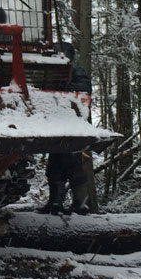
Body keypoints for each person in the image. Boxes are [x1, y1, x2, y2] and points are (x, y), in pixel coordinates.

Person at [39, 42, 93, 215]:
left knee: (72, 167)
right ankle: (57, 203)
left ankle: (79, 204)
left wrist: (70, 88)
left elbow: (86, 88)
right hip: (58, 125)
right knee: (56, 167)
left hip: (73, 126)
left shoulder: (75, 71)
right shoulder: (52, 72)